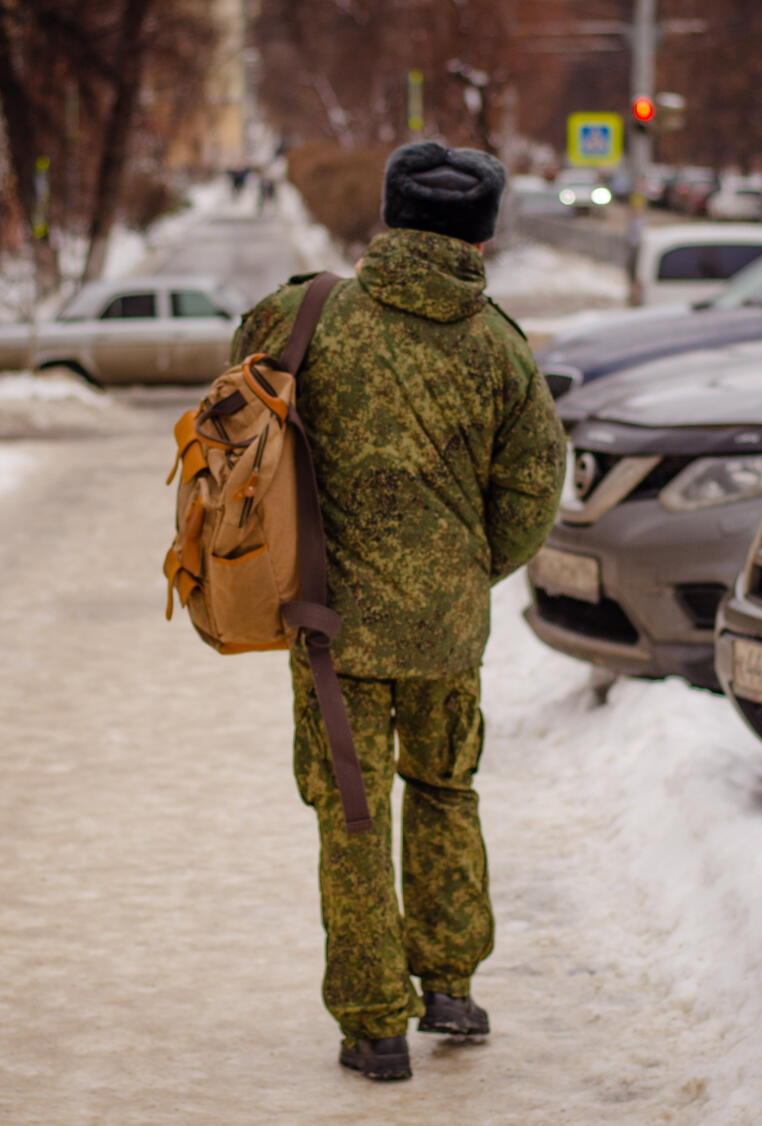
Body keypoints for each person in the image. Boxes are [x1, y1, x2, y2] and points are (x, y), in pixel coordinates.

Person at [230, 141, 565, 1080]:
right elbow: (534, 494)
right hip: (448, 634)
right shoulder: (499, 345)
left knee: (351, 814)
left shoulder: (309, 314)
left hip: (330, 625)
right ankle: (450, 985)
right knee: (447, 792)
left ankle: (375, 1028)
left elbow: (241, 385)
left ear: (390, 213)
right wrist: (462, 572)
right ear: (484, 233)